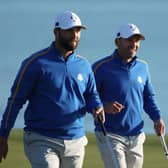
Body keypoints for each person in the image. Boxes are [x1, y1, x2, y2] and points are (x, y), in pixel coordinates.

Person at [0, 11, 104, 168]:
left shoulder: (84, 66)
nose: (75, 35)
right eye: (70, 30)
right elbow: (15, 101)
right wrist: (3, 135)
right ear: (56, 32)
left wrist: (97, 107)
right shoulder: (35, 63)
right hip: (42, 138)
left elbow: (91, 94)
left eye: (78, 31)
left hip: (75, 140)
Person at [92, 23, 165, 168]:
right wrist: (103, 106)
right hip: (110, 134)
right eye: (129, 40)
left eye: (137, 41)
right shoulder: (100, 67)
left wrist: (157, 118)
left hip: (136, 135)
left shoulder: (143, 67)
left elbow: (148, 97)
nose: (134, 44)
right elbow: (87, 96)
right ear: (118, 41)